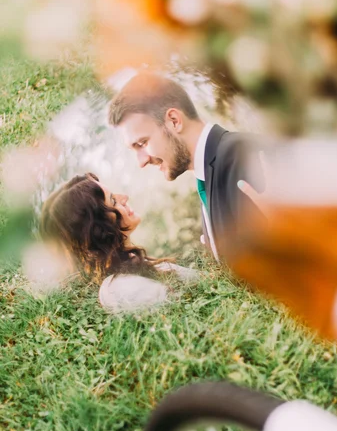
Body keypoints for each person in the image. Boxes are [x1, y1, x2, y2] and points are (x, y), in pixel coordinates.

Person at [108, 71, 265, 261]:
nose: (141, 162)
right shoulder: (208, 175)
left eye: (142, 143)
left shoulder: (241, 154)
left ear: (174, 121)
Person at [40, 172, 198, 314]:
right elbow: (188, 306)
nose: (125, 197)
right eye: (113, 201)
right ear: (99, 228)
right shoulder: (118, 288)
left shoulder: (139, 268)